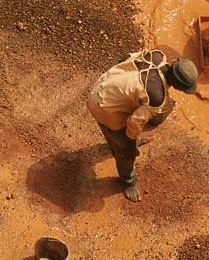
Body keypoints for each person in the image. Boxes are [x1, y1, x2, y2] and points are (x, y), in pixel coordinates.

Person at [85, 49, 198, 202]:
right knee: (126, 152)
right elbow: (134, 122)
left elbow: (123, 59)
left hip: (103, 85)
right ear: (178, 86)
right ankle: (128, 182)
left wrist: (123, 90)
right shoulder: (157, 96)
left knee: (120, 128)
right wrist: (130, 145)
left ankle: (116, 137)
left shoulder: (157, 55)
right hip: (102, 107)